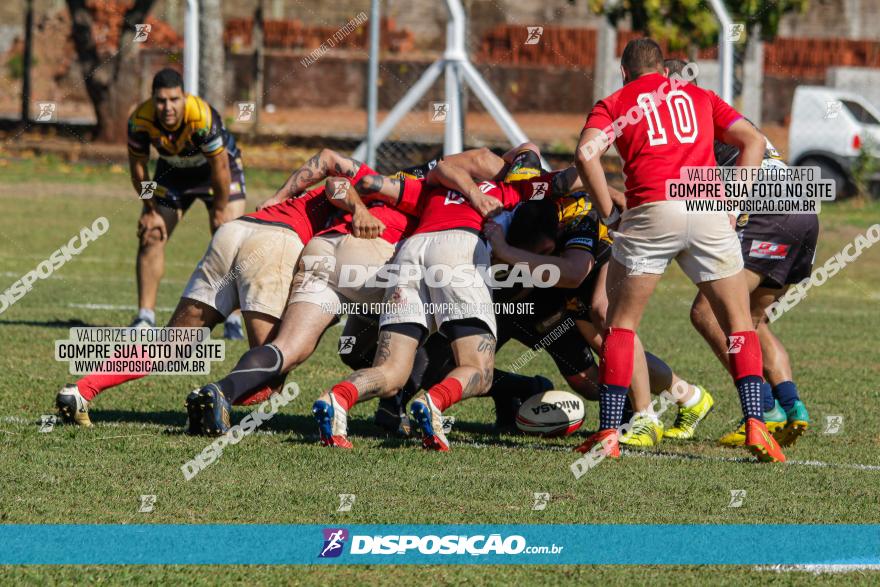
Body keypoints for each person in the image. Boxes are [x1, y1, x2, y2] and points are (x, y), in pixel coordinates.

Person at [574, 38, 785, 462]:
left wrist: (609, 215)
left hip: (652, 207)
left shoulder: (615, 102)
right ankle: (758, 427)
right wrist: (733, 205)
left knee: (621, 324)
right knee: (740, 324)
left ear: (624, 73)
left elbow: (585, 153)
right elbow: (754, 141)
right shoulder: (700, 95)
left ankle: (610, 433)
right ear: (665, 72)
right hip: (706, 207)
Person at [127, 68, 247, 338]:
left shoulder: (201, 117)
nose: (167, 107)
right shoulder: (140, 120)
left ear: (184, 97)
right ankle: (145, 317)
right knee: (152, 234)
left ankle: (234, 319)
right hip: (174, 174)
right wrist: (149, 210)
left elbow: (220, 167)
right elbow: (138, 169)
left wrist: (218, 209)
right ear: (152, 99)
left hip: (217, 173)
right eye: (160, 100)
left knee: (228, 236)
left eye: (174, 99)